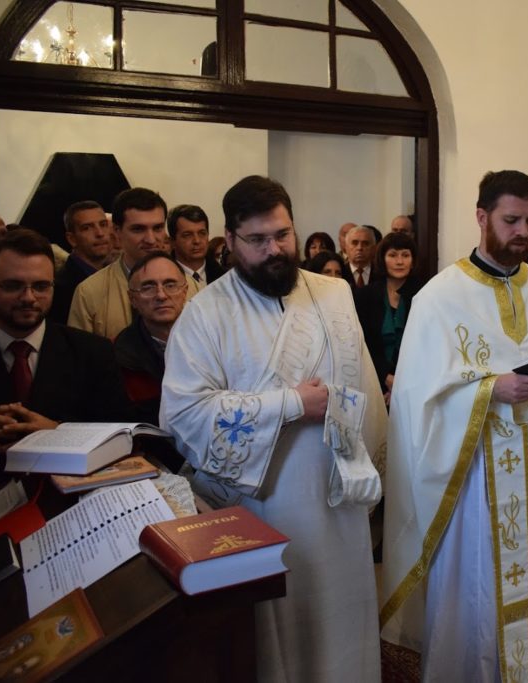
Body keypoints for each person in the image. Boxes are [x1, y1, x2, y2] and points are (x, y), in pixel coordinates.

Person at [161, 175, 386, 682]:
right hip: (264, 504)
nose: (275, 250)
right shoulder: (204, 314)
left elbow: (365, 384)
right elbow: (183, 415)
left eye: (283, 235)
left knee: (343, 624)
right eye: (258, 240)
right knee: (278, 636)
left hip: (338, 495)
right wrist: (289, 404)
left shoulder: (334, 294)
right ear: (231, 239)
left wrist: (367, 460)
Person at [380, 170, 528, 681]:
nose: (525, 232)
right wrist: (489, 389)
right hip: (473, 484)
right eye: (512, 220)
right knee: (479, 593)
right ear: (482, 217)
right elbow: (415, 396)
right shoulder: (439, 296)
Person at [0, 229, 130, 500]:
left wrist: (58, 432)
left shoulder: (91, 352)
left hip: (69, 502)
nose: (28, 297)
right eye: (13, 286)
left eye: (40, 286)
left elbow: (119, 435)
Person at [68, 187, 197, 338]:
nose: (150, 239)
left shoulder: (190, 287)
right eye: (138, 229)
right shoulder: (89, 292)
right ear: (116, 231)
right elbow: (81, 355)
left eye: (157, 228)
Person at [114, 253, 189, 424]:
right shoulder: (115, 355)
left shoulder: (215, 343)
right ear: (132, 299)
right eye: (148, 287)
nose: (161, 295)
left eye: (170, 285)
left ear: (184, 292)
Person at [355, 231, 421, 400]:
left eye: (405, 255)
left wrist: (401, 385)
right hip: (372, 381)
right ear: (382, 259)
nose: (399, 261)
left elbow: (426, 346)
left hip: (414, 383)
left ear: (413, 261)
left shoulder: (424, 294)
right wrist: (386, 377)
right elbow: (362, 343)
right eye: (392, 255)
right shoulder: (365, 295)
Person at [50, 200, 113, 324]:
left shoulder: (115, 275)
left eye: (103, 224)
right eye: (87, 228)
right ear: (72, 239)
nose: (100, 233)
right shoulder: (63, 288)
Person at [168, 204, 225, 287]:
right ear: (172, 241)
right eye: (187, 235)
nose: (197, 241)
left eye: (202, 233)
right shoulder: (161, 278)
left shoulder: (225, 277)